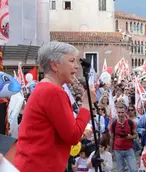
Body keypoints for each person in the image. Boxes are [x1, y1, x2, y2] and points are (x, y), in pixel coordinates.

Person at [14, 42, 95, 172]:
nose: (76, 66)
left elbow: (51, 135)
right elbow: (72, 136)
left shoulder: (45, 88)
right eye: (71, 60)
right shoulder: (52, 91)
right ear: (54, 65)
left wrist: (80, 133)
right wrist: (86, 104)